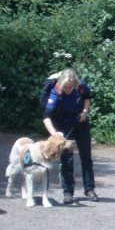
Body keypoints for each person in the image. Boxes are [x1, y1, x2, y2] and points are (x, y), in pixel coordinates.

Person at [43, 68, 98, 204]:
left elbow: (86, 98)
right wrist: (54, 134)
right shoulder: (56, 92)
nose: (68, 89)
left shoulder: (81, 87)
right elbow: (46, 117)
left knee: (86, 157)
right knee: (66, 159)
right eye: (66, 87)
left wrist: (84, 112)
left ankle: (89, 189)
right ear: (61, 83)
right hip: (62, 125)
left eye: (71, 87)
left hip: (80, 123)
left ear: (75, 83)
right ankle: (68, 192)